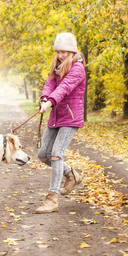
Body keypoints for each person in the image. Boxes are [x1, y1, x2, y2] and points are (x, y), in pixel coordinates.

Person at [35, 32, 86, 214]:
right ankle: (71, 174)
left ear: (72, 51)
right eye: (58, 51)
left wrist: (50, 102)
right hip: (56, 116)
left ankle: (52, 199)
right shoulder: (56, 66)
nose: (61, 55)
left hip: (70, 117)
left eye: (64, 51)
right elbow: (50, 85)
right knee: (43, 155)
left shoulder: (77, 68)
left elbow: (64, 88)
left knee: (56, 154)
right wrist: (44, 99)